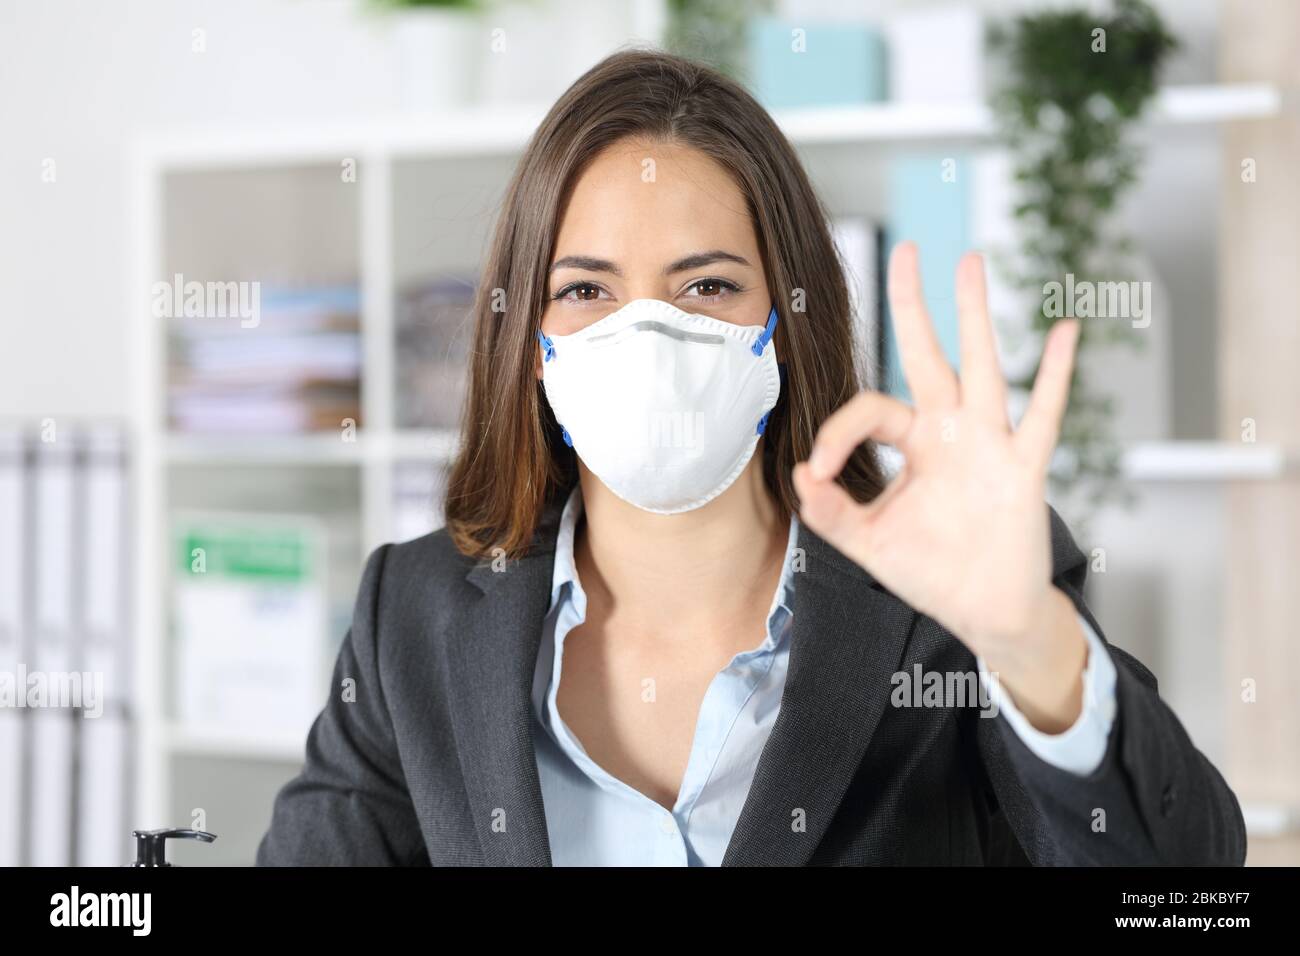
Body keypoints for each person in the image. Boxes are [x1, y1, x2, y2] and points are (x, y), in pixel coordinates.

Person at [257, 49, 1245, 866]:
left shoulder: (946, 611)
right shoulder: (413, 617)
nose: (643, 333)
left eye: (705, 287)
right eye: (587, 291)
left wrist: (1030, 641)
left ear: (788, 323)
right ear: (528, 339)